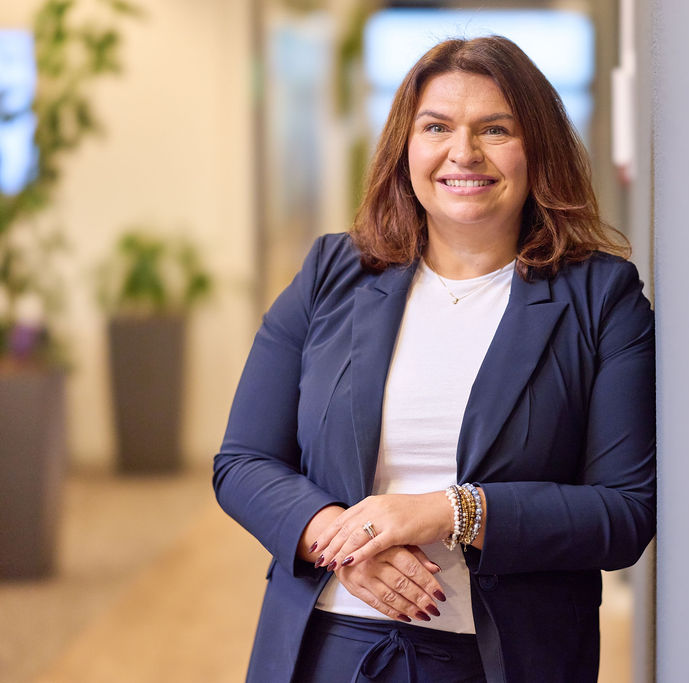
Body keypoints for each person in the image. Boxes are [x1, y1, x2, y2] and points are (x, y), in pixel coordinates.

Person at [213, 35, 655, 682]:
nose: (463, 152)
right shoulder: (331, 274)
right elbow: (242, 461)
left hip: (502, 661)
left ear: (538, 148)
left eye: (495, 128)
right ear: (405, 147)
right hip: (326, 647)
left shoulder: (601, 297)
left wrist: (450, 511)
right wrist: (337, 538)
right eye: (437, 126)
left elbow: (623, 512)